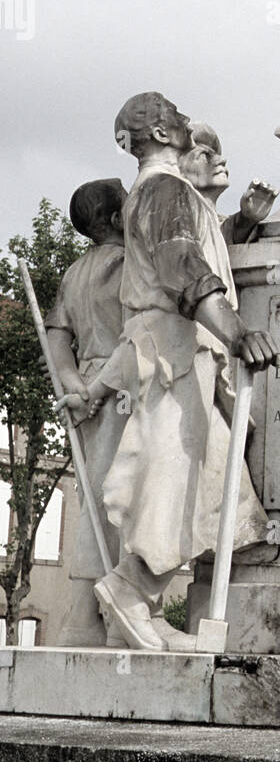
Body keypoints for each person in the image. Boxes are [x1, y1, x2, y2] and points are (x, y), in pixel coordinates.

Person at [84, 93, 277, 652]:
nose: (186, 122)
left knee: (200, 480)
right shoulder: (166, 191)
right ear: (164, 133)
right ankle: (130, 590)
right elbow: (182, 269)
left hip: (171, 351)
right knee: (178, 480)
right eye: (176, 116)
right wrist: (236, 332)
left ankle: (141, 602)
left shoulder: (158, 192)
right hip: (173, 354)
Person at [46, 179, 127, 647]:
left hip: (89, 389)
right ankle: (102, 615)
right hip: (121, 387)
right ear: (118, 220)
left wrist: (73, 382)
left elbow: (58, 334)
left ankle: (91, 615)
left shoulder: (75, 271)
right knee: (120, 501)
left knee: (95, 498)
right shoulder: (129, 264)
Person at [183, 122, 278, 244]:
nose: (222, 160)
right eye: (205, 155)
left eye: (216, 155)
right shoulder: (170, 221)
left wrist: (245, 220)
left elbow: (216, 237)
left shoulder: (215, 225)